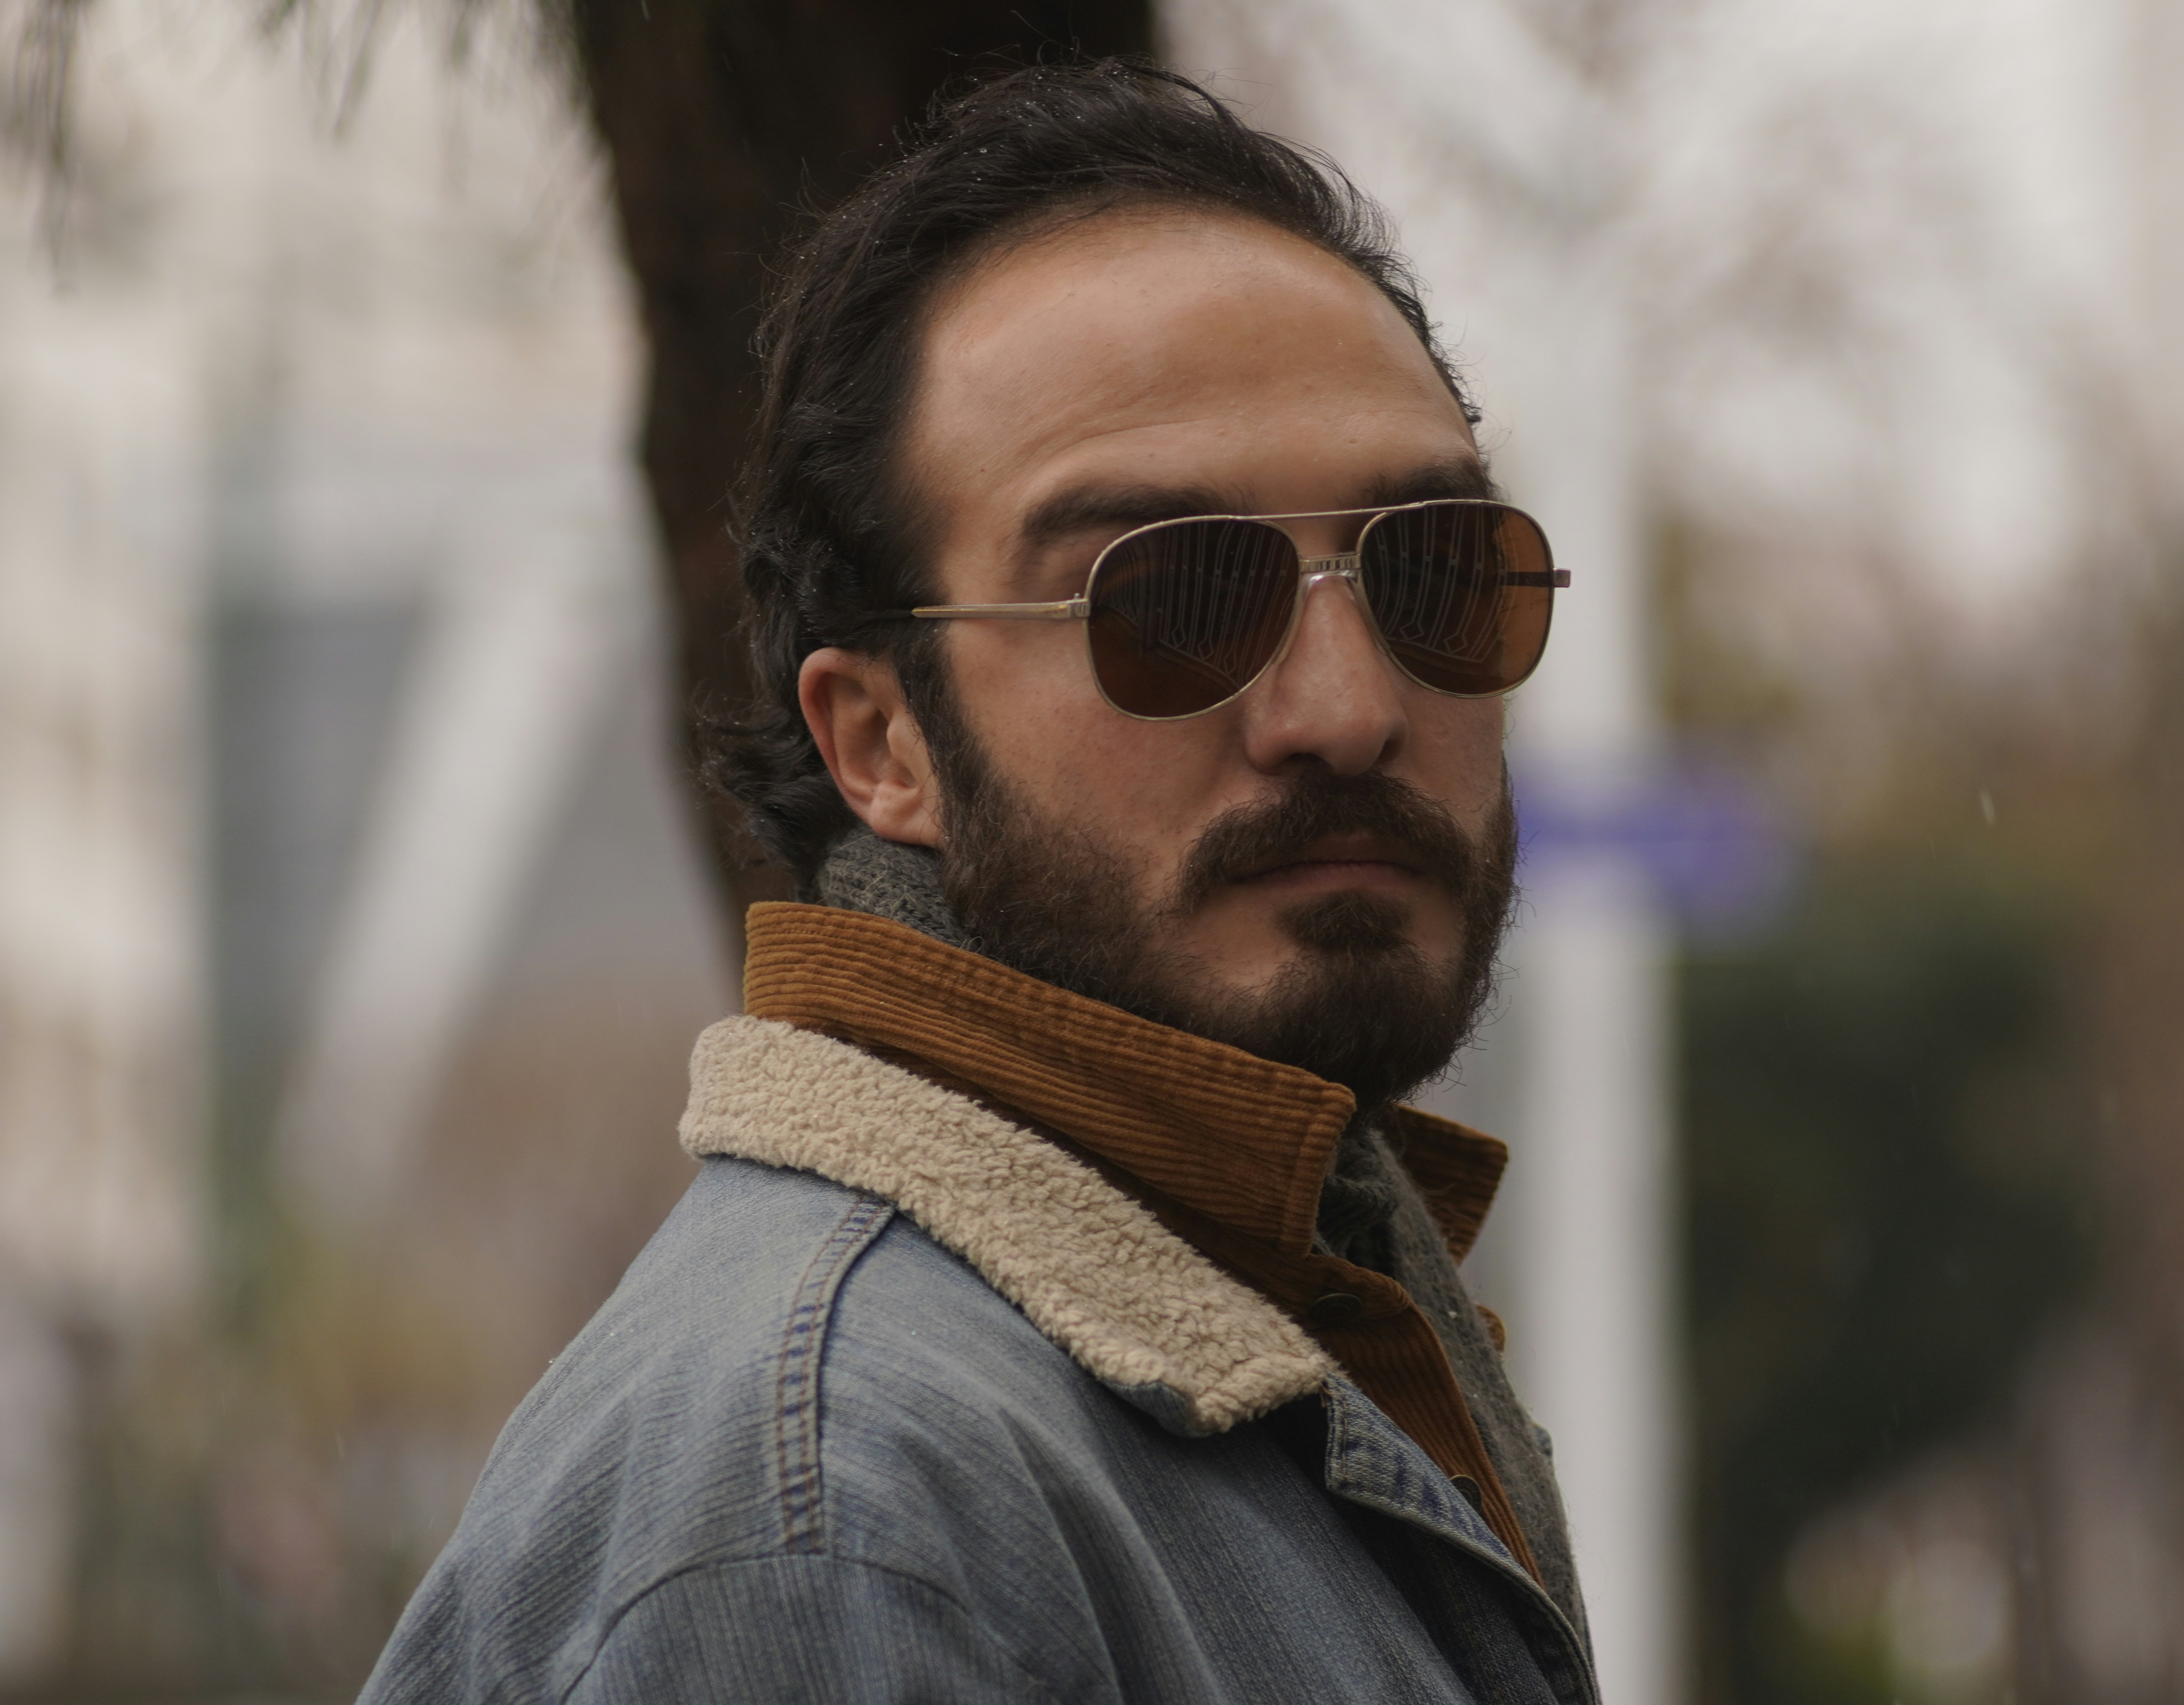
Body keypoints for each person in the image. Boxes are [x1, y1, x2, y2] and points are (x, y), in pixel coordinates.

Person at [362, 58, 1596, 1705]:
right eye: (1168, 600)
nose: (1348, 709)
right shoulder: (841, 1512)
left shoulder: (1280, 1322)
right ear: (882, 744)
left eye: (1434, 572)